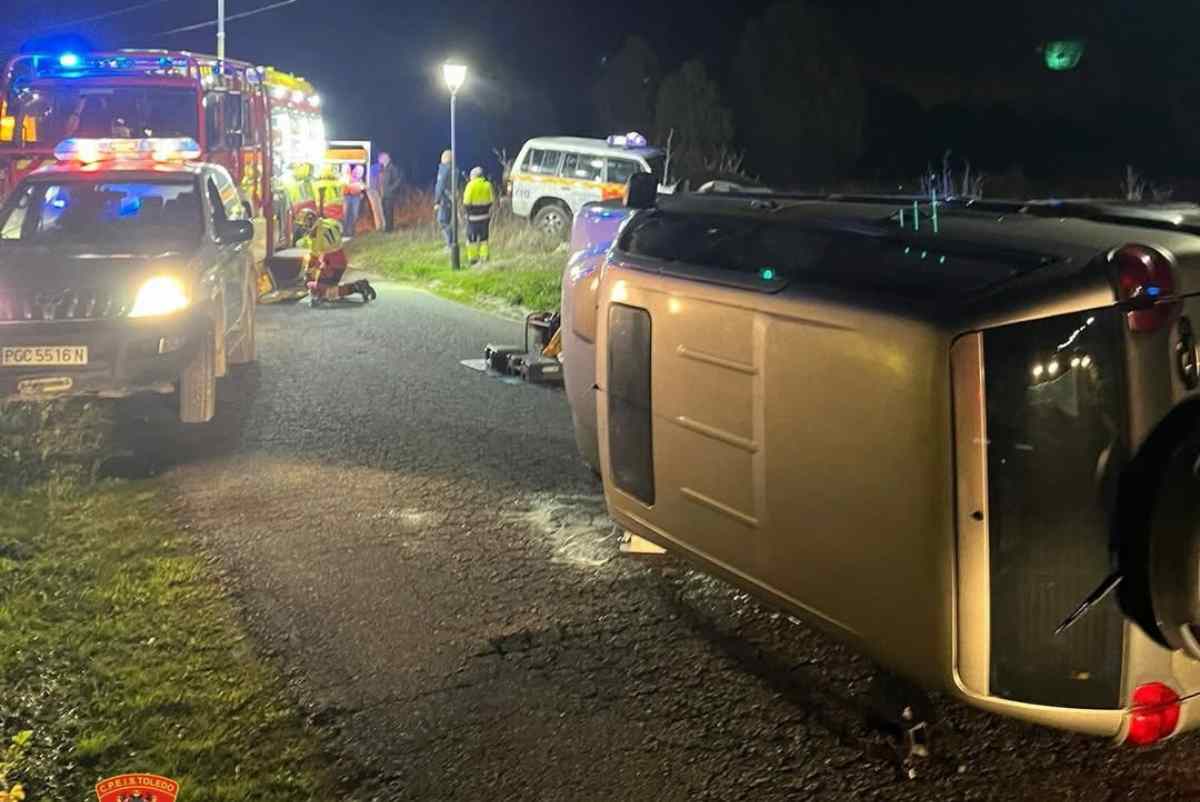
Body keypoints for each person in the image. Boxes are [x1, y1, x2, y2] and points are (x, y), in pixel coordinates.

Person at [295, 209, 376, 305]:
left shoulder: (317, 235)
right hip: (338, 259)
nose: (303, 228)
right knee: (327, 288)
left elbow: (314, 258)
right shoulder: (328, 222)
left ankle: (356, 287)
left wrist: (307, 274)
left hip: (332, 264)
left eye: (304, 225)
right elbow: (339, 227)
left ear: (310, 222)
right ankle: (357, 286)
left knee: (321, 291)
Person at [462, 166, 494, 264]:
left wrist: (467, 213)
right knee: (484, 239)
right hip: (485, 217)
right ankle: (484, 257)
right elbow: (491, 200)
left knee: (471, 239)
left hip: (472, 218)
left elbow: (466, 202)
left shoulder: (470, 185)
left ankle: (473, 259)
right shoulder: (488, 185)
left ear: (474, 176)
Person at [372, 151, 404, 232]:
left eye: (381, 158)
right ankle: (387, 228)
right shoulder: (383, 168)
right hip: (383, 194)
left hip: (390, 194)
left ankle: (389, 229)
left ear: (386, 158)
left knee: (389, 211)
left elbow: (398, 180)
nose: (379, 160)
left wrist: (391, 189)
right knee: (385, 211)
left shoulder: (392, 168)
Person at [433, 149, 454, 248]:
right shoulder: (455, 169)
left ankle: (450, 243)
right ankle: (451, 242)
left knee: (442, 221)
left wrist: (436, 201)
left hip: (444, 200)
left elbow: (439, 186)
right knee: (448, 221)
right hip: (451, 199)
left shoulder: (444, 169)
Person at [343, 164, 365, 238]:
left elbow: (362, 187)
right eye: (356, 171)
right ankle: (345, 232)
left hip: (356, 197)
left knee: (354, 214)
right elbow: (345, 185)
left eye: (360, 172)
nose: (357, 173)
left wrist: (361, 192)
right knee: (346, 214)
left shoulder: (360, 180)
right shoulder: (346, 177)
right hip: (347, 197)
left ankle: (352, 232)